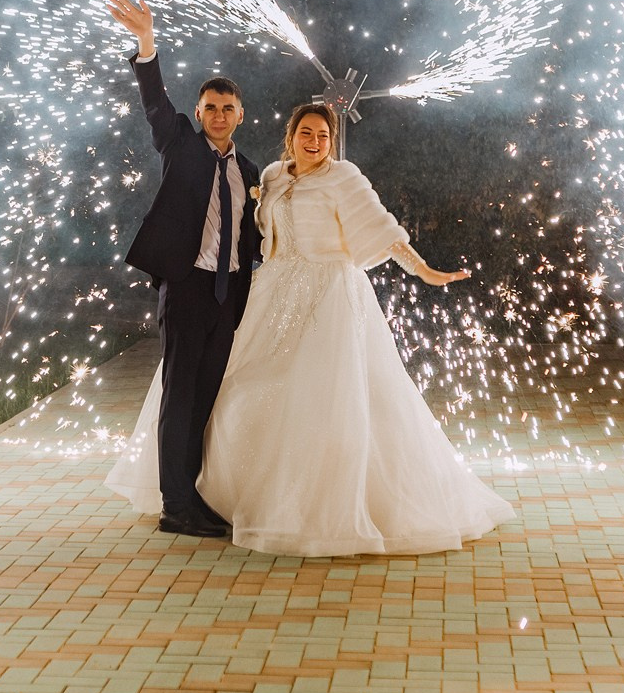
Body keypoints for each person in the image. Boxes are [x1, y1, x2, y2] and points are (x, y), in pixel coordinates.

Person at [111, 100, 514, 557]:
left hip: (329, 296)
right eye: (307, 133)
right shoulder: (271, 177)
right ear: (292, 135)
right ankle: (203, 496)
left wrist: (424, 270)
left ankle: (312, 508)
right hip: (274, 293)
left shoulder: (343, 177)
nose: (316, 142)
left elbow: (382, 231)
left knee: (322, 401)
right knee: (234, 390)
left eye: (323, 136)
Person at [104, 0, 260, 539]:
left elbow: (255, 235)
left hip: (229, 297)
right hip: (189, 287)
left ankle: (191, 493)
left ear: (241, 115)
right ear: (198, 114)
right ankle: (175, 504)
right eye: (210, 107)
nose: (218, 115)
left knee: (208, 394)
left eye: (227, 108)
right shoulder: (179, 145)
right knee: (180, 392)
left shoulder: (249, 169)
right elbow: (152, 100)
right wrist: (146, 41)